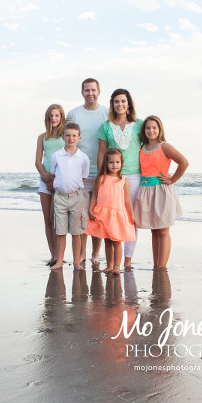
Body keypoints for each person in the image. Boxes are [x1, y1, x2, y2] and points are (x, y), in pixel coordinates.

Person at [96, 89, 143, 269]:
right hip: (112, 179)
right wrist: (102, 177)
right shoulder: (105, 127)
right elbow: (101, 154)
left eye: (123, 101)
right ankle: (112, 262)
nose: (120, 104)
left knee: (130, 218)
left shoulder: (139, 124)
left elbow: (149, 147)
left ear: (128, 103)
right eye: (116, 101)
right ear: (112, 104)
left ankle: (128, 259)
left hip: (135, 176)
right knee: (111, 217)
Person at [133, 115, 188, 269]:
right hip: (146, 191)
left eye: (154, 128)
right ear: (144, 130)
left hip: (161, 191)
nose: (151, 130)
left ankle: (161, 267)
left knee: (163, 231)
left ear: (159, 129)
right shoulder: (142, 148)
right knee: (154, 231)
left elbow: (184, 162)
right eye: (148, 128)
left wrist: (172, 180)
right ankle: (156, 263)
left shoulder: (164, 146)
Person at [66, 78, 109, 265]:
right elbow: (66, 140)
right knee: (81, 215)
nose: (90, 93)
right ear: (82, 92)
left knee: (97, 217)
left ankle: (95, 254)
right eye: (86, 90)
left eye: (93, 90)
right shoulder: (73, 114)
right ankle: (82, 253)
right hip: (80, 175)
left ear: (99, 91)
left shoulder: (106, 113)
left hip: (102, 172)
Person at [86, 148, 136, 275]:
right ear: (106, 163)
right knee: (107, 241)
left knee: (117, 241)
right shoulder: (100, 179)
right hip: (103, 213)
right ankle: (109, 265)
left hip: (117, 215)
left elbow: (127, 199)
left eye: (117, 162)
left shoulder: (123, 180)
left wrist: (132, 214)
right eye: (111, 162)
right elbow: (94, 196)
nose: (115, 165)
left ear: (121, 163)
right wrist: (90, 209)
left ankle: (117, 267)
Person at [50, 122, 90, 271]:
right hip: (60, 197)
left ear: (79, 138)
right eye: (68, 135)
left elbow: (83, 178)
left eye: (74, 136)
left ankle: (76, 262)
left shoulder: (83, 158)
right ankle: (59, 261)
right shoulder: (57, 156)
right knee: (60, 231)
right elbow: (54, 174)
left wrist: (74, 189)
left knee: (76, 232)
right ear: (63, 137)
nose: (71, 138)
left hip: (76, 198)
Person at [35, 104, 65, 265]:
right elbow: (37, 161)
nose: (54, 118)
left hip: (60, 182)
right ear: (47, 118)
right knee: (47, 219)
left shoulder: (64, 136)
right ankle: (52, 255)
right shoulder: (42, 137)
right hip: (44, 182)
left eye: (57, 115)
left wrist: (55, 180)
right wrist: (46, 178)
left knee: (55, 220)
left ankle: (59, 255)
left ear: (61, 117)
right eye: (51, 116)